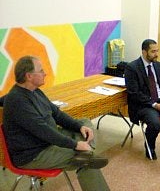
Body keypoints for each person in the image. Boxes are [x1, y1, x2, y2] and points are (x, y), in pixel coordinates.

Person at [3, 56, 110, 191]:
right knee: (87, 161)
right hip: (34, 154)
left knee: (84, 122)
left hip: (47, 142)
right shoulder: (17, 101)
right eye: (41, 71)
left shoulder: (34, 91)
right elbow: (45, 132)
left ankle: (85, 152)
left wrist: (79, 127)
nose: (45, 73)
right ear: (29, 76)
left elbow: (57, 114)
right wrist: (76, 144)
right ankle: (84, 154)